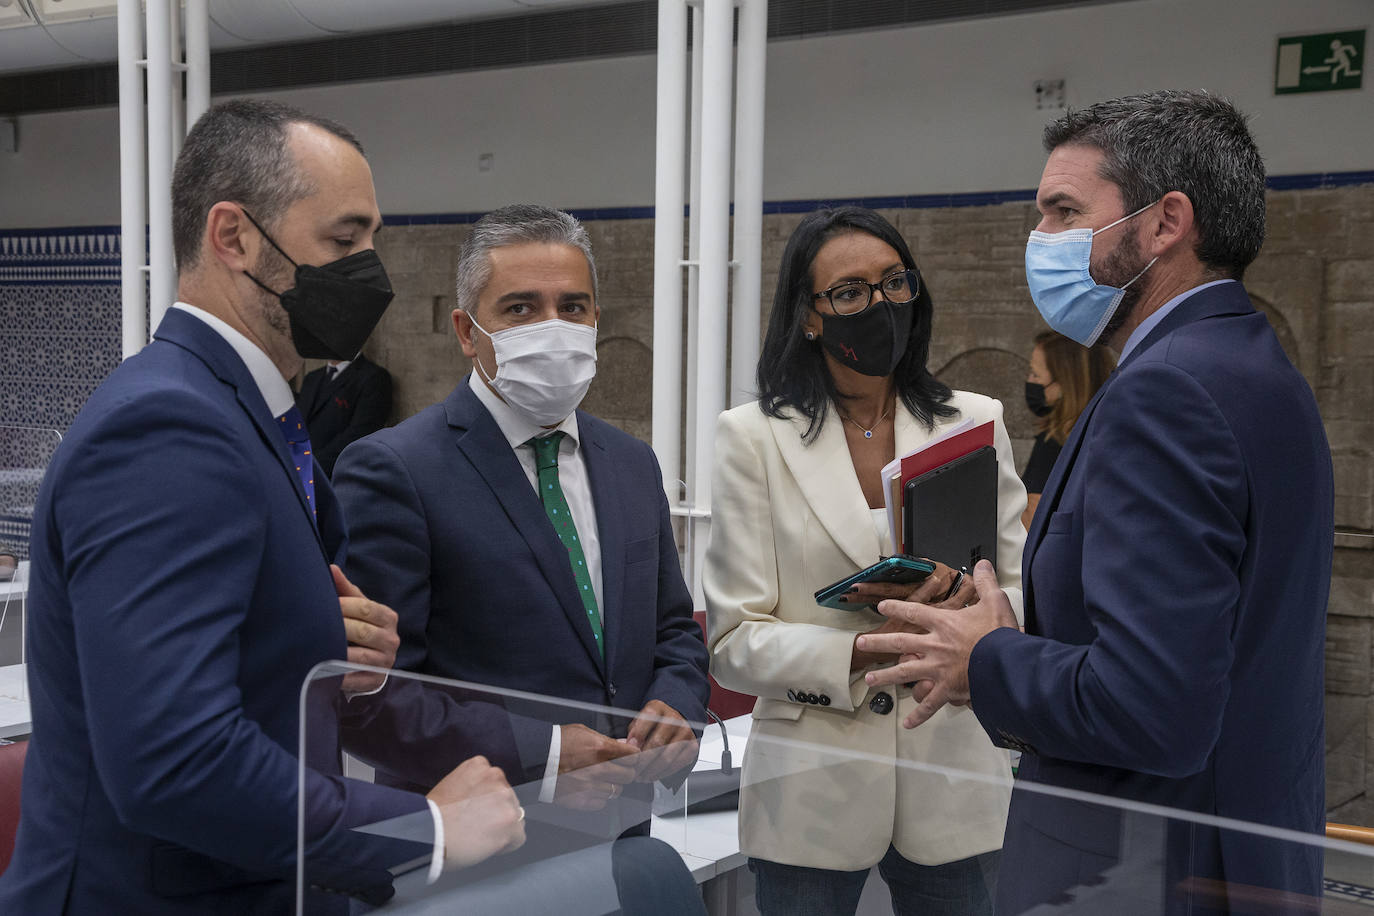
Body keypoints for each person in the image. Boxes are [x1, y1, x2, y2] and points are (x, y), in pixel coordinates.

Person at [0, 99, 526, 913]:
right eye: (344, 240)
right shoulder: (167, 426)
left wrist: (320, 640)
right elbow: (175, 761)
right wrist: (426, 829)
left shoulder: (251, 410)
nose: (371, 271)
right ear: (233, 236)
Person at [860, 90, 1334, 913]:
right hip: (1237, 852)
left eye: (1063, 212)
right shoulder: (1258, 369)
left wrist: (986, 659)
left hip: (1143, 871)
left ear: (1164, 223)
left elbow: (1155, 707)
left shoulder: (1167, 394)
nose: (1038, 242)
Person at [333, 204, 710, 829]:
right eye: (521, 308)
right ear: (465, 330)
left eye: (573, 307)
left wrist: (677, 701)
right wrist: (547, 754)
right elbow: (373, 695)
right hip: (481, 840)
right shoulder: (394, 470)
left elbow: (671, 627)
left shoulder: (630, 463)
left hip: (623, 825)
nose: (553, 327)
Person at [703, 206, 1028, 916]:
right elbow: (732, 643)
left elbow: (1019, 597)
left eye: (894, 283)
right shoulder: (753, 439)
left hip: (953, 773)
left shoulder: (975, 421)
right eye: (849, 292)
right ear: (808, 316)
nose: (878, 305)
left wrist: (970, 613)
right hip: (810, 788)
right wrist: (866, 648)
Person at [1019, 329, 1114, 528]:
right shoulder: (1107, 429)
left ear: (1065, 383)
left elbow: (1033, 521)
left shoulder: (1056, 441)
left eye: (1036, 375)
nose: (1030, 381)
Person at [295, 352, 393, 476]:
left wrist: (310, 466)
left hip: (338, 475)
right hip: (300, 473)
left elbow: (360, 434)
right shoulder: (312, 378)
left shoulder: (374, 378)